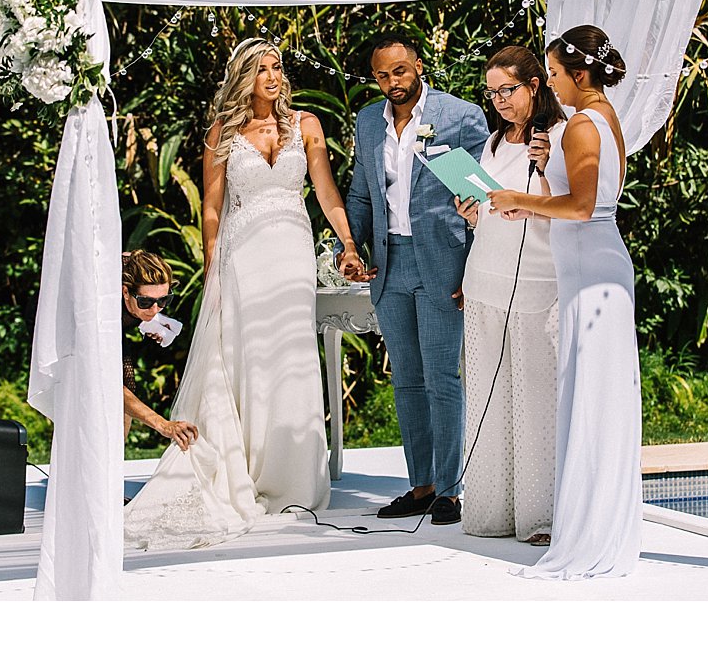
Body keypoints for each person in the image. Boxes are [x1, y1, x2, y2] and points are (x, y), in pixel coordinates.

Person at [124, 37, 365, 550]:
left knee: (293, 356)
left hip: (293, 251)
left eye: (277, 67)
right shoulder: (224, 132)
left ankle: (296, 477)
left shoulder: (307, 126)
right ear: (243, 78)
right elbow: (211, 208)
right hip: (244, 258)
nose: (272, 77)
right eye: (260, 70)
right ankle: (248, 471)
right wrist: (213, 265)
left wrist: (347, 245)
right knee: (251, 358)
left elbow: (325, 190)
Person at [487, 24, 642, 579]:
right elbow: (583, 204)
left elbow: (580, 207)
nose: (550, 85)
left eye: (553, 75)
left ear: (579, 75)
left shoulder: (582, 124)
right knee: (593, 397)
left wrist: (518, 197)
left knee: (593, 397)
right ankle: (596, 523)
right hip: (593, 267)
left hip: (592, 273)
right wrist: (528, 206)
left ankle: (591, 533)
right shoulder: (601, 120)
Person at [339, 31, 490, 526]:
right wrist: (352, 246)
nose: (391, 82)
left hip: (444, 262)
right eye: (382, 75)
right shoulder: (367, 122)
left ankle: (449, 489)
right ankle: (420, 485)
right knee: (406, 378)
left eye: (399, 71)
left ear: (419, 65)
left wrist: (474, 266)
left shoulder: (460, 116)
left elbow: (479, 199)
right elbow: (361, 194)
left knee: (442, 376)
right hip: (389, 263)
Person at [452, 46, 566, 545]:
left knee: (537, 399)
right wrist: (470, 210)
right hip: (486, 277)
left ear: (536, 85)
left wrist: (543, 171)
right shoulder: (494, 141)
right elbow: (490, 206)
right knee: (489, 397)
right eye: (492, 91)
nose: (499, 100)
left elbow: (572, 206)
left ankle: (541, 516)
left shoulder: (559, 137)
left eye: (508, 90)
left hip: (538, 282)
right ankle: (492, 510)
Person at [120, 249, 198, 452]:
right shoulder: (105, 303)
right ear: (125, 291)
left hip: (121, 318)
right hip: (79, 336)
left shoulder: (138, 271)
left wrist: (150, 321)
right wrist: (163, 425)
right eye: (145, 302)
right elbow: (110, 385)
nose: (155, 309)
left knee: (128, 379)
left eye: (163, 301)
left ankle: (114, 459)